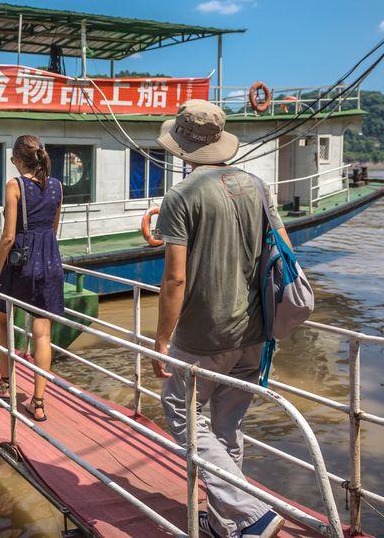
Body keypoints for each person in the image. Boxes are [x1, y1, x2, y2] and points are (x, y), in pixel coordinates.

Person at [151, 99, 292, 538]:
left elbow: (175, 279)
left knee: (179, 411)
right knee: (227, 425)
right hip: (255, 331)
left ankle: (250, 513)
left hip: (205, 333)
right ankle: (225, 522)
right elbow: (285, 248)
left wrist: (160, 339)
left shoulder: (181, 196)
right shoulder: (255, 185)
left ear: (181, 146)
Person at [0, 135, 64, 422]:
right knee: (42, 333)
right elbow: (53, 228)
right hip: (49, 260)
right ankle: (38, 402)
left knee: (3, 319)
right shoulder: (57, 186)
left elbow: (8, 237)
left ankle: (6, 384)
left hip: (20, 262)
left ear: (17, 159)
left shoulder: (15, 185)